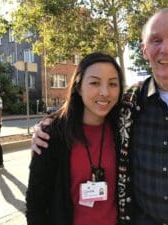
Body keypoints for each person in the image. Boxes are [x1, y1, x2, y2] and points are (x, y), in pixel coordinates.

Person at [31, 8, 168, 225]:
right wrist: (48, 125)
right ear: (144, 50)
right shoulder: (129, 103)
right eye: (156, 40)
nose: (166, 49)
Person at [26, 52, 124, 225]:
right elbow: (36, 204)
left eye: (113, 84)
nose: (105, 92)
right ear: (78, 87)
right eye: (94, 82)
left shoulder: (123, 129)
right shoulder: (52, 134)